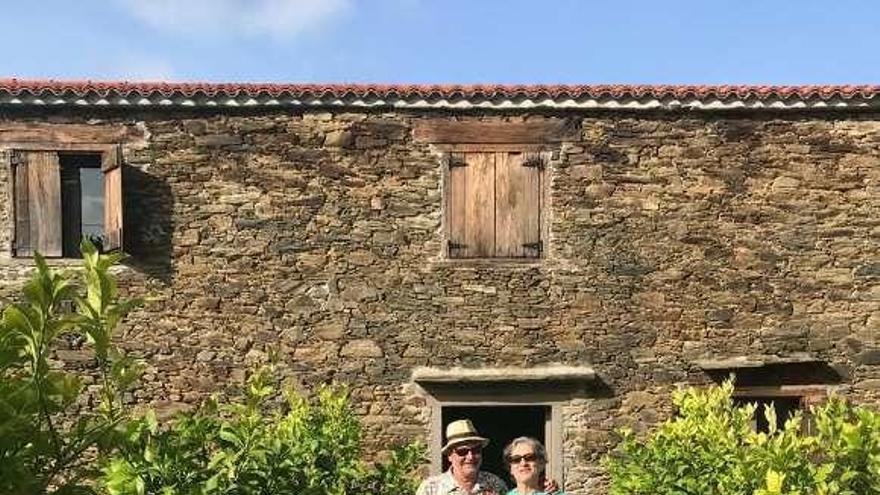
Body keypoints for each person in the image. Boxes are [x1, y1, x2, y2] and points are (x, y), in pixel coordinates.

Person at [416, 420, 559, 495]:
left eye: (476, 450)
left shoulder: (495, 484)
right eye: (462, 452)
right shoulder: (431, 488)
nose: (470, 456)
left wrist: (540, 483)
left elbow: (524, 490)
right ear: (450, 456)